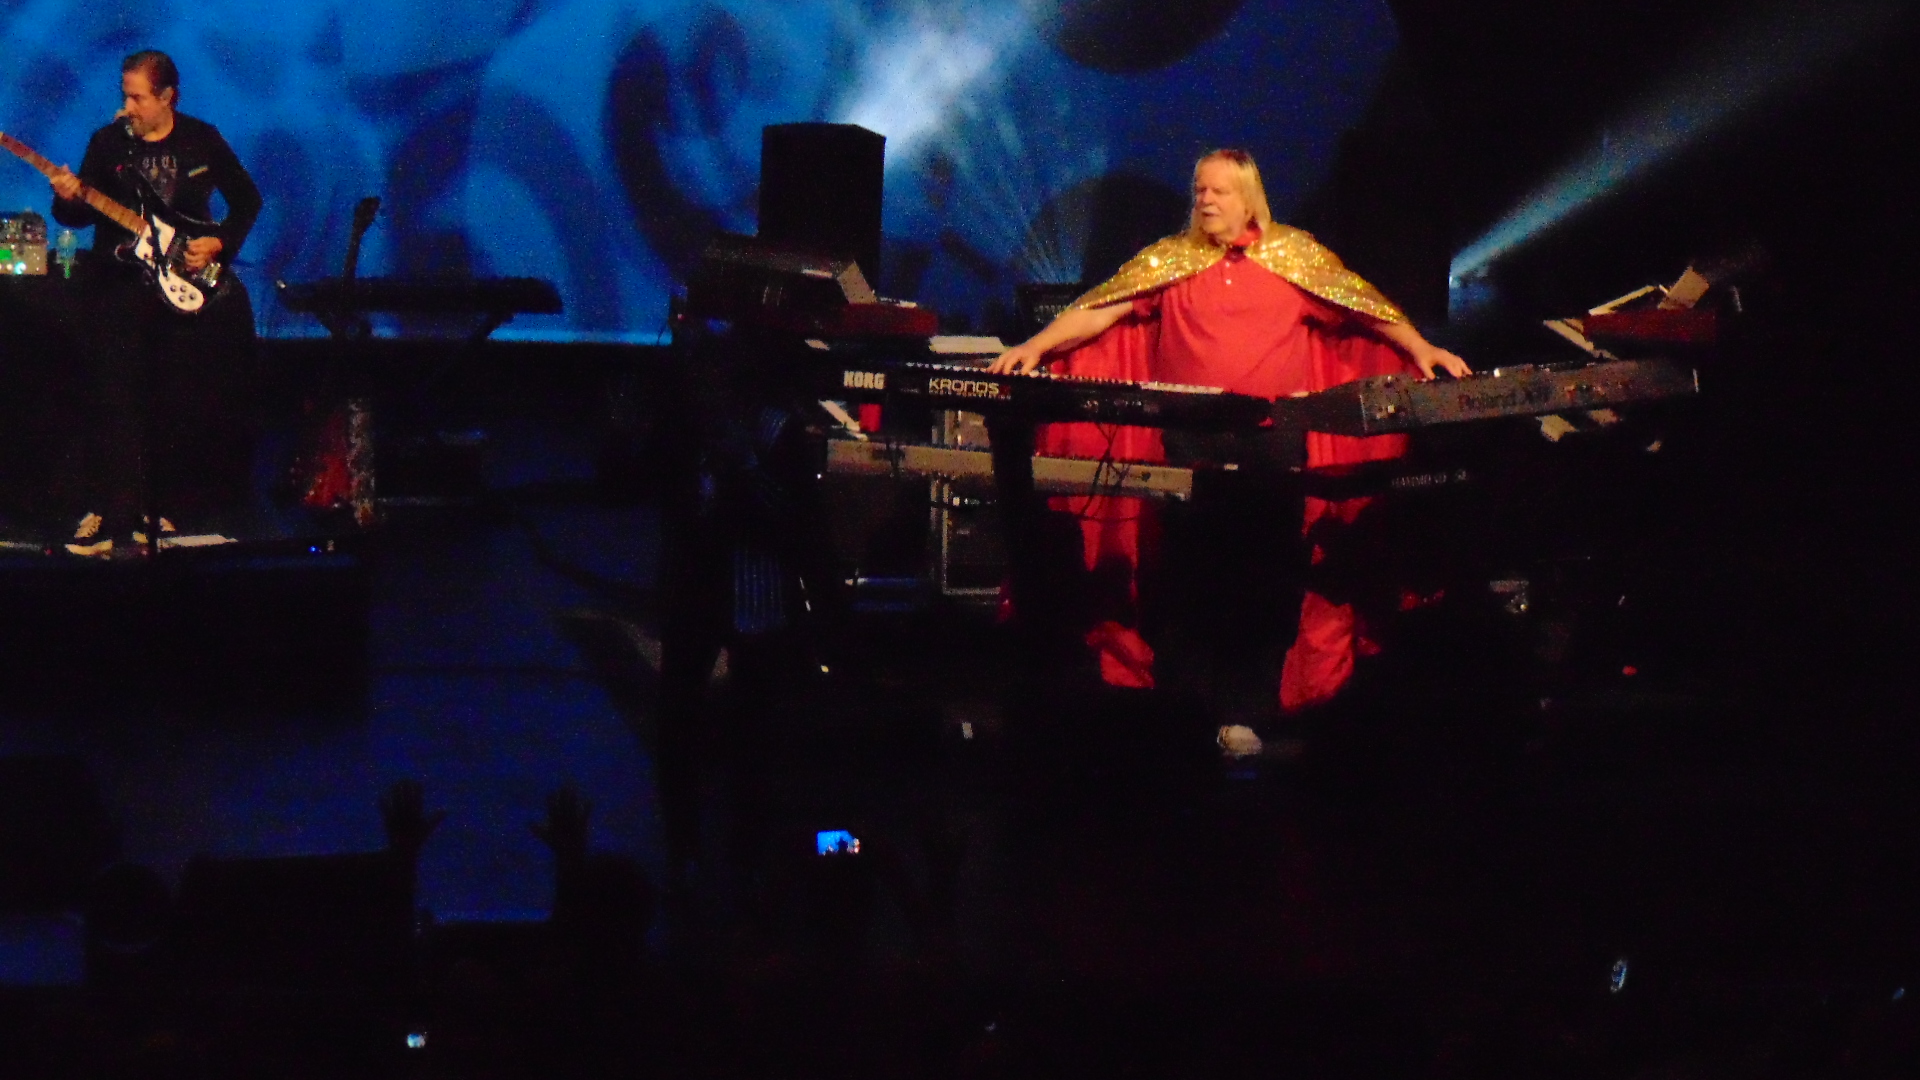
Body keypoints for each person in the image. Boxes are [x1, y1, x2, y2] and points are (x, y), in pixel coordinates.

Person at [987, 148, 1468, 742]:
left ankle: (1248, 712)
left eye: (1218, 191)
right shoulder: (1172, 261)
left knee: (1265, 577)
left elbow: (1365, 310)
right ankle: (1189, 715)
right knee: (1189, 577)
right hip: (1190, 440)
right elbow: (1098, 312)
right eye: (1199, 191)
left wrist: (1423, 349)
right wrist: (1036, 345)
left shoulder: (1294, 257)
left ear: (1247, 199)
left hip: (1272, 441)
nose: (1206, 201)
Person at [47, 49, 262, 556]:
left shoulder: (201, 139)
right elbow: (77, 218)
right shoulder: (107, 142)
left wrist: (220, 242)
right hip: (115, 287)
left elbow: (247, 201)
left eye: (139, 98)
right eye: (125, 96)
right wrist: (67, 198)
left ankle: (158, 508)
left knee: (171, 399)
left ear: (168, 97)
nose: (129, 107)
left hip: (178, 291)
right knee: (111, 399)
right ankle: (106, 510)